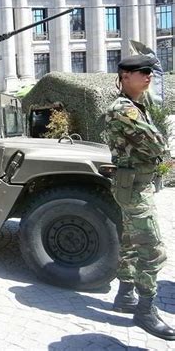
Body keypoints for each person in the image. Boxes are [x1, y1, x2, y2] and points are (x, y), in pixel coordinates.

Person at [105, 54, 174, 340]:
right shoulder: (124, 110)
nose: (148, 76)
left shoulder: (137, 106)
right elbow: (157, 143)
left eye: (149, 72)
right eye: (141, 71)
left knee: (131, 240)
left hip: (133, 184)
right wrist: (160, 143)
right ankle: (145, 310)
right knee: (152, 249)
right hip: (133, 187)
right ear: (124, 76)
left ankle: (125, 295)